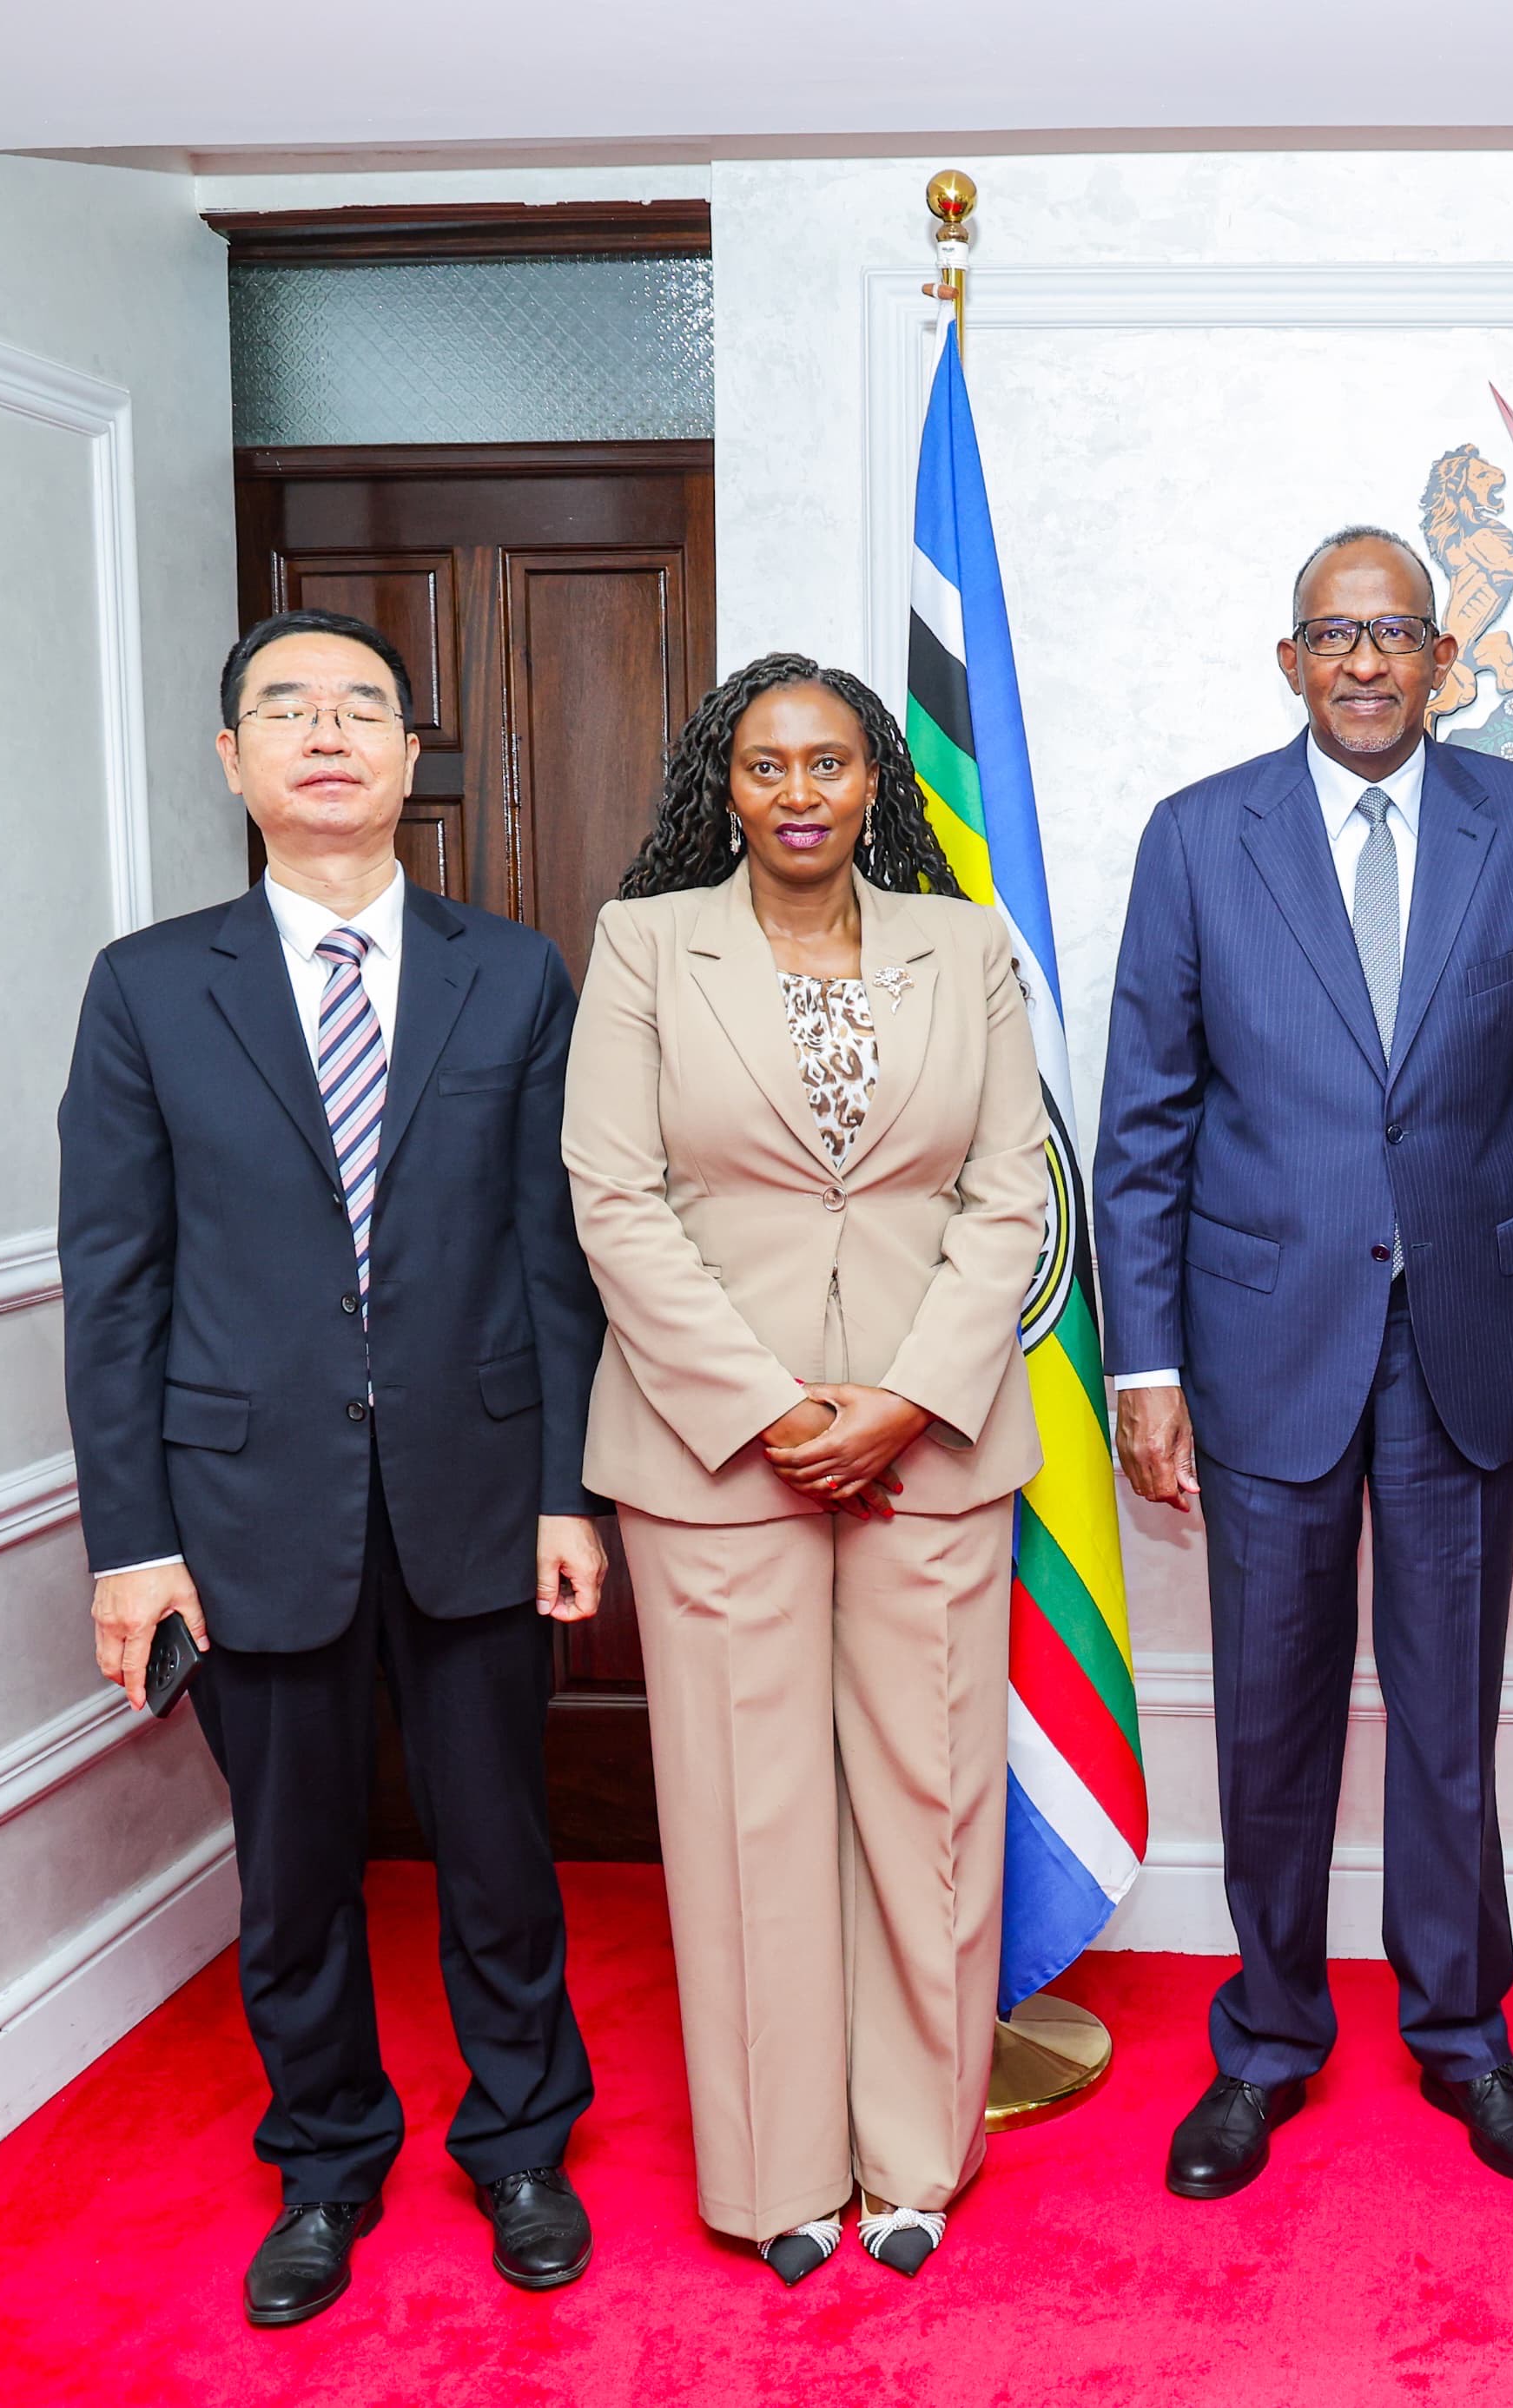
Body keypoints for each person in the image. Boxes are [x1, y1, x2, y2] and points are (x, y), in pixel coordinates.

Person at [59, 610, 606, 2328]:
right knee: (290, 1873)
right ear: (232, 759)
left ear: (408, 754)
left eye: (361, 705)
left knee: (499, 1852)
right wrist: (132, 1541)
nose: (326, 732)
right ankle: (324, 2159)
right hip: (240, 1511)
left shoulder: (512, 973)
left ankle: (521, 2141)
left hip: (478, 1493)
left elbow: (555, 1257)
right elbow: (114, 1282)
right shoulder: (151, 987)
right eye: (284, 708)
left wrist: (566, 1491)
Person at [1096, 525, 1513, 2199]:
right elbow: (1144, 1123)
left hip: (1470, 1337)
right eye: (1334, 636)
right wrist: (1144, 1364)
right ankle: (1265, 2039)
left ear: (1443, 661)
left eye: (1396, 632)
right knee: (1271, 1715)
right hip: (1262, 1344)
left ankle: (1463, 2032)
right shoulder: (1199, 837)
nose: (1364, 662)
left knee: (1446, 1711)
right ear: (1290, 661)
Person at [559, 653, 1046, 2285]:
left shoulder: (965, 947)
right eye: (765, 763)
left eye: (828, 761)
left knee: (929, 1801)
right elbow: (613, 1196)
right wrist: (771, 1410)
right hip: (713, 1455)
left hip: (933, 1446)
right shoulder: (645, 945)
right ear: (725, 781)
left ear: (872, 780)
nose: (797, 791)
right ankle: (777, 2174)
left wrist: (904, 1401)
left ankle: (915, 2158)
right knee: (745, 1811)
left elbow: (1009, 1194)